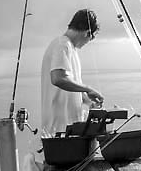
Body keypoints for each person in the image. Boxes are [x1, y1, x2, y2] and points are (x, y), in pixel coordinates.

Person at [40, 8, 105, 137]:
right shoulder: (62, 45)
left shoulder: (70, 48)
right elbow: (58, 78)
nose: (87, 43)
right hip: (58, 130)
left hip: (68, 130)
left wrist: (87, 100)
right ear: (87, 33)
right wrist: (88, 88)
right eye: (90, 39)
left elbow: (67, 87)